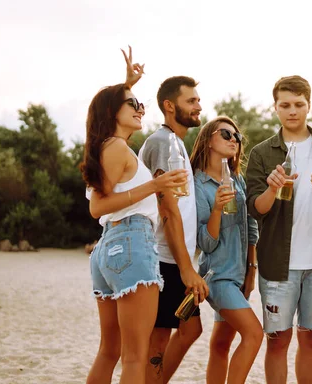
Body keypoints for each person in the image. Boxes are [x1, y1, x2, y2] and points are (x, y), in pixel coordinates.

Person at [82, 47, 188, 384]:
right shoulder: (114, 147)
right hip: (131, 243)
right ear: (114, 111)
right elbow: (98, 206)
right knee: (133, 358)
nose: (142, 109)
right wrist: (154, 186)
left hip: (109, 249)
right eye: (134, 104)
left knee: (110, 352)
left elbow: (106, 199)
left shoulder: (110, 146)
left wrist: (127, 84)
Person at [246, 75, 312, 384]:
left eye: (299, 104)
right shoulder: (261, 153)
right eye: (285, 105)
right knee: (277, 341)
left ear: (309, 105)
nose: (292, 111)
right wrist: (271, 189)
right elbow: (255, 208)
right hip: (276, 265)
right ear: (275, 108)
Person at [139, 75, 209, 384]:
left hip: (175, 257)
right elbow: (167, 208)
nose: (198, 106)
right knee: (158, 340)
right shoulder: (161, 141)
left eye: (197, 100)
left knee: (190, 329)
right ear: (170, 105)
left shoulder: (176, 143)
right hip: (162, 257)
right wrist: (186, 268)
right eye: (191, 101)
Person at [190, 116, 263, 384]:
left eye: (237, 137)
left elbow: (251, 227)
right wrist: (218, 208)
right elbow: (205, 243)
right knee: (254, 334)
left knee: (221, 344)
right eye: (226, 134)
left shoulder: (237, 180)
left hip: (239, 275)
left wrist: (251, 271)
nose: (234, 140)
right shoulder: (197, 185)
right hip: (218, 277)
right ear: (209, 139)